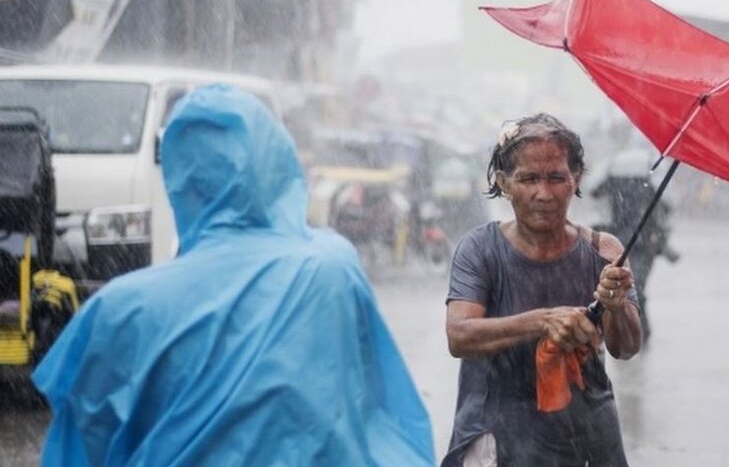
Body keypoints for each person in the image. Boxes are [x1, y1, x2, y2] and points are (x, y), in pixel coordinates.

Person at [32, 84, 434, 466]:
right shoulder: (330, 269)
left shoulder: (119, 310)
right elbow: (387, 412)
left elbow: (79, 449)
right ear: (276, 164)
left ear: (178, 180)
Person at [443, 113, 643, 466]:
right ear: (504, 182)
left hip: (587, 439)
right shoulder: (480, 250)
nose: (544, 193)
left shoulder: (605, 253)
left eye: (556, 178)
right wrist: (543, 321)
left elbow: (625, 348)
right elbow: (460, 335)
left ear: (576, 179)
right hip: (499, 434)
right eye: (528, 178)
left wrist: (615, 306)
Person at [590, 153, 679, 338]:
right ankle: (635, 332)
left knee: (633, 287)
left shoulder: (618, 178)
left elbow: (595, 192)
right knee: (630, 287)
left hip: (638, 242)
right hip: (628, 242)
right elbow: (666, 207)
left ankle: (638, 332)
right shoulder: (647, 181)